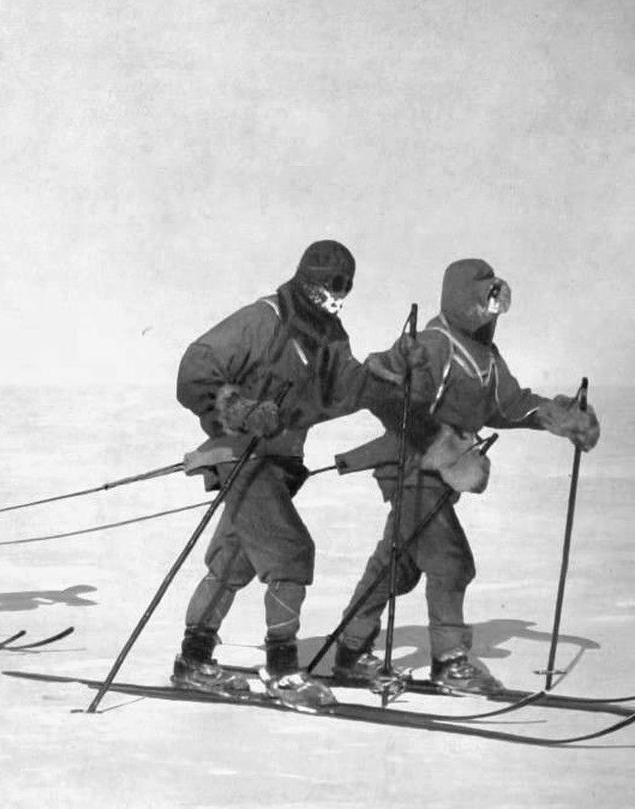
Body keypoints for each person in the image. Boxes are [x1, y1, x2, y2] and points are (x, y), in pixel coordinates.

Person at [327, 258, 600, 694]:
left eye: (497, 300)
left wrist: (556, 415)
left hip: (440, 480)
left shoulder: (484, 355)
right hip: (415, 470)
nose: (492, 310)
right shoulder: (436, 344)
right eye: (485, 299)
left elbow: (506, 405)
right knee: (452, 564)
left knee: (395, 568)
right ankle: (450, 662)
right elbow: (388, 394)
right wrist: (441, 443)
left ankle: (351, 649)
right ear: (462, 297)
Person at [172, 240, 413, 709]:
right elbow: (194, 367)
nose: (336, 293)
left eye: (345, 285)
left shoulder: (329, 334)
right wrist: (238, 409)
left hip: (278, 462)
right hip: (240, 452)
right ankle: (283, 670)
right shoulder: (264, 320)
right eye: (328, 283)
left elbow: (342, 390)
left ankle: (193, 660)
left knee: (234, 561)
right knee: (289, 550)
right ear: (305, 278)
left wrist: (387, 371)